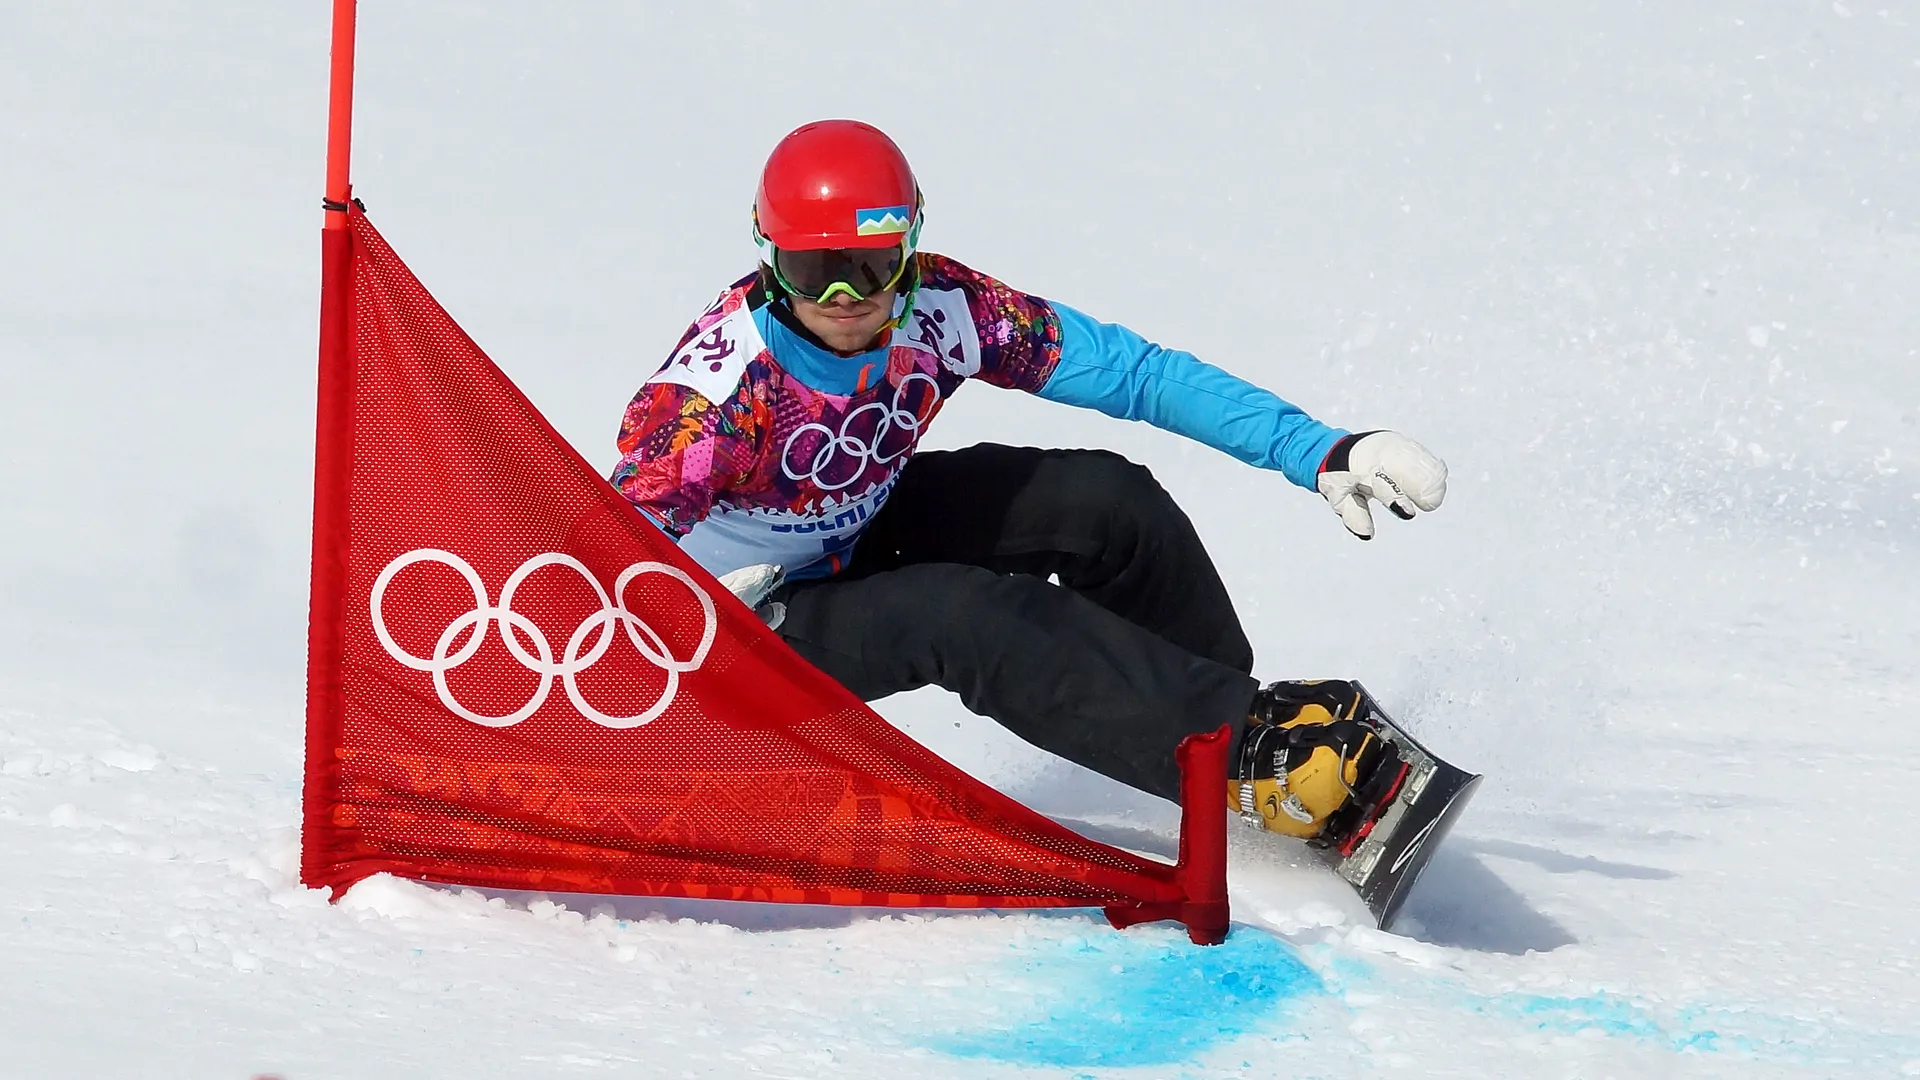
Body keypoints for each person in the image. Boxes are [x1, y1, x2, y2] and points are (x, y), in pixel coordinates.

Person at [610, 119, 1447, 840]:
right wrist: (687, 615)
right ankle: (1239, 757)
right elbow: (596, 561)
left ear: (909, 251)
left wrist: (1320, 450)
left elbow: (1137, 375)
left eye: (871, 268)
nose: (844, 298)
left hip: (850, 535)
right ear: (766, 256)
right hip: (737, 633)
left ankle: (1226, 733)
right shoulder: (709, 398)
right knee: (972, 617)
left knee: (1104, 504)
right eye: (809, 269)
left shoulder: (943, 309)